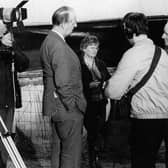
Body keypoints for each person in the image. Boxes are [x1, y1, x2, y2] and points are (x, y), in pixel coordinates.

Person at [104, 12, 168, 168]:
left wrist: (106, 87)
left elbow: (114, 92)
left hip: (145, 118)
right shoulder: (163, 53)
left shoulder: (132, 54)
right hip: (166, 115)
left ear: (127, 30)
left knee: (143, 162)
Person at [40, 6, 87, 168]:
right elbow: (63, 82)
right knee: (71, 156)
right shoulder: (58, 45)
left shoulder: (50, 41)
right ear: (63, 22)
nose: (75, 25)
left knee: (58, 152)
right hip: (67, 110)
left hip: (56, 107)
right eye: (73, 22)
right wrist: (73, 106)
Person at [0, 21, 29, 167]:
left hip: (8, 101)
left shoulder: (10, 48)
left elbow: (24, 64)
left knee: (6, 139)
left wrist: (13, 50)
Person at [80, 34, 111, 168]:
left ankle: (95, 158)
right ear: (84, 49)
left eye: (96, 48)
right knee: (91, 132)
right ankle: (92, 160)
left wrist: (105, 84)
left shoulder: (101, 63)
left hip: (101, 102)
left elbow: (108, 79)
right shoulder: (79, 64)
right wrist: (88, 86)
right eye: (92, 48)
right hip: (87, 103)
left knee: (100, 130)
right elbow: (76, 83)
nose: (95, 50)